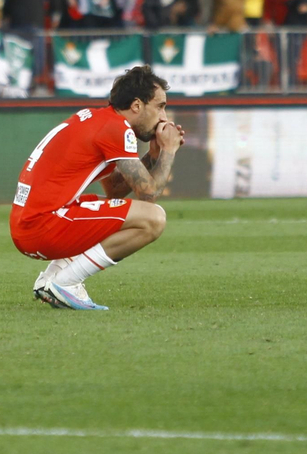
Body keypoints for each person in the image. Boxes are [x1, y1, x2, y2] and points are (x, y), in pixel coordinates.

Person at [10, 65, 180, 311]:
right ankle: (67, 283)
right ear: (136, 106)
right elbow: (149, 194)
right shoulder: (116, 129)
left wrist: (153, 156)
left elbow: (115, 192)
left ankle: (51, 278)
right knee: (154, 219)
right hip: (43, 226)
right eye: (160, 106)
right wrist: (169, 151)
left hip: (30, 224)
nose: (164, 117)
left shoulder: (98, 119)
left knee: (111, 208)